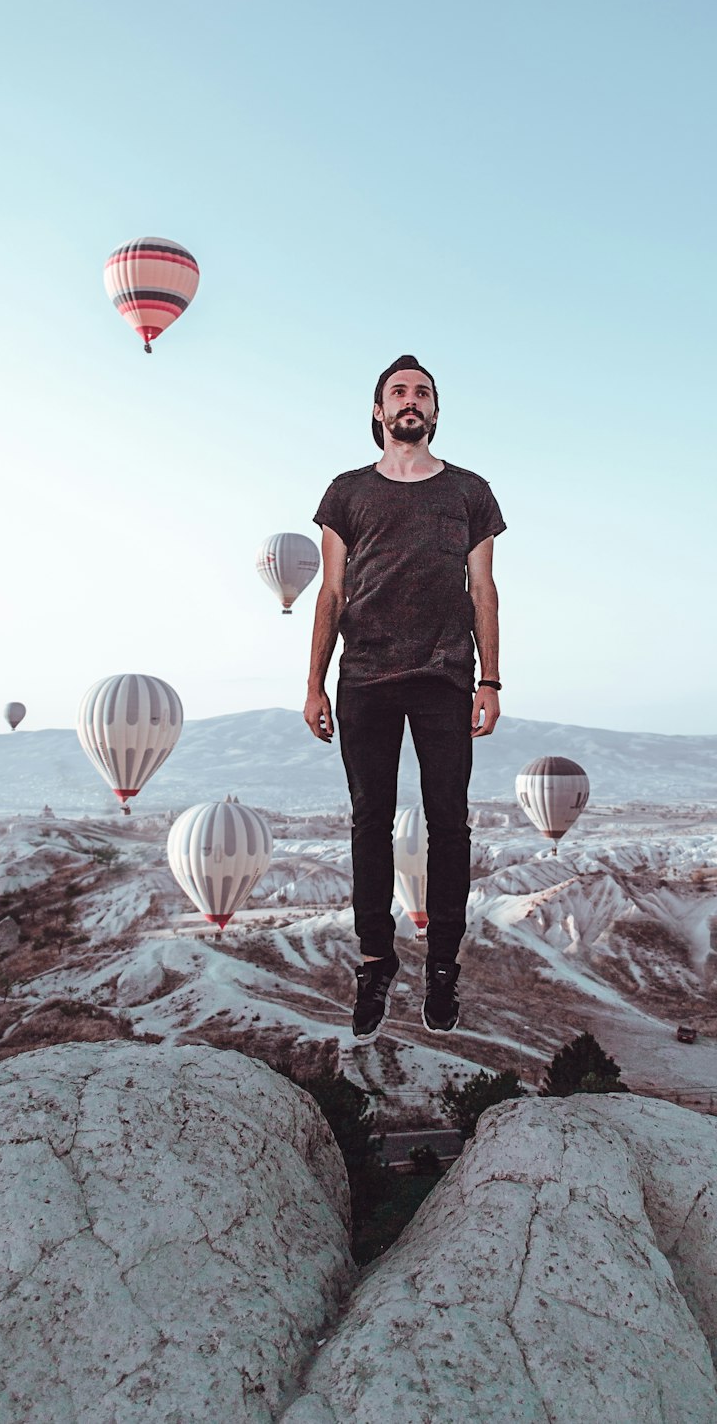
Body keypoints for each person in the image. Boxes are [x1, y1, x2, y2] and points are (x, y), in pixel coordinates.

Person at [304, 355, 506, 1041]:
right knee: (370, 822)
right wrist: (312, 684)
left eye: (422, 393)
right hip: (364, 677)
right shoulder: (346, 492)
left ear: (436, 412)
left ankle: (442, 964)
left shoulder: (469, 491)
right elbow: (330, 594)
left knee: (450, 822)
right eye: (398, 392)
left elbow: (483, 589)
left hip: (447, 676)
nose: (410, 401)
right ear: (378, 411)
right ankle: (374, 960)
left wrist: (491, 678)